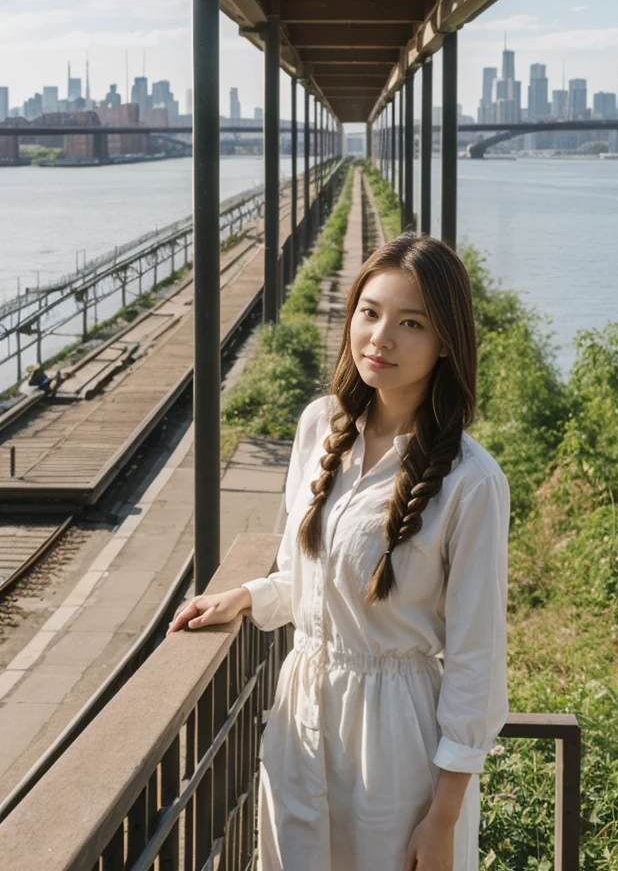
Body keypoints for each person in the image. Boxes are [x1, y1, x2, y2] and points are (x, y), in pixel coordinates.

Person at [168, 232, 511, 871]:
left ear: (446, 343)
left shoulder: (472, 481)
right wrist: (248, 597)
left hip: (396, 747)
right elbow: (310, 579)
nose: (381, 337)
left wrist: (441, 819)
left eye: (412, 323)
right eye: (370, 312)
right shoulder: (320, 427)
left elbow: (477, 663)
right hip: (300, 721)